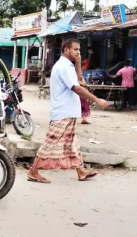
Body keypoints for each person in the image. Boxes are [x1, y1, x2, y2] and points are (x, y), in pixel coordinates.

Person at [27, 39, 109, 184]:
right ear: (66, 50)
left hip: (68, 111)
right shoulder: (63, 67)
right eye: (75, 49)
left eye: (79, 50)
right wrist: (96, 100)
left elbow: (79, 80)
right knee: (51, 142)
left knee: (72, 144)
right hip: (62, 112)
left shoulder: (68, 66)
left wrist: (78, 62)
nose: (78, 52)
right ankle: (33, 171)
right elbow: (77, 88)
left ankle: (81, 171)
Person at [75, 55, 91, 125]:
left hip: (81, 95)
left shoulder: (80, 77)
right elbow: (84, 84)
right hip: (79, 94)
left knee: (83, 107)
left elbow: (84, 84)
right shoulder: (75, 77)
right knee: (80, 106)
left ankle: (84, 119)